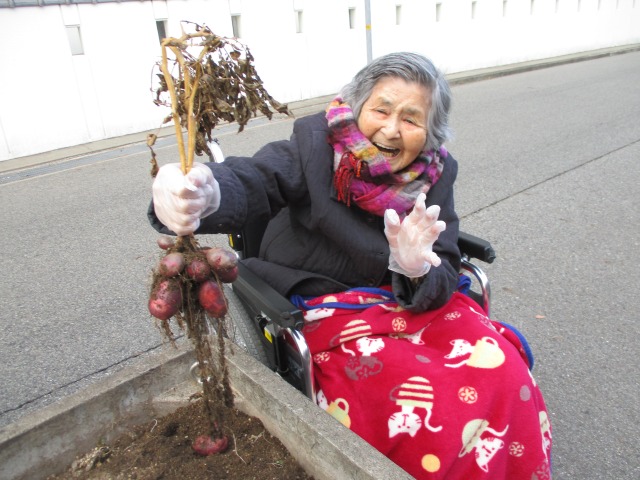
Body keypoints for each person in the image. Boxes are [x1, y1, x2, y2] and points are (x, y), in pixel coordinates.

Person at [149, 52, 552, 479]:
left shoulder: (437, 173)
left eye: (411, 119)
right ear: (358, 107)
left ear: (431, 132)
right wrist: (207, 194)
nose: (391, 129)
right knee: (421, 405)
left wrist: (416, 268)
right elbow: (255, 178)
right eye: (381, 110)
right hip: (325, 300)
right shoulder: (313, 148)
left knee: (504, 372)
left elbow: (446, 259)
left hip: (408, 298)